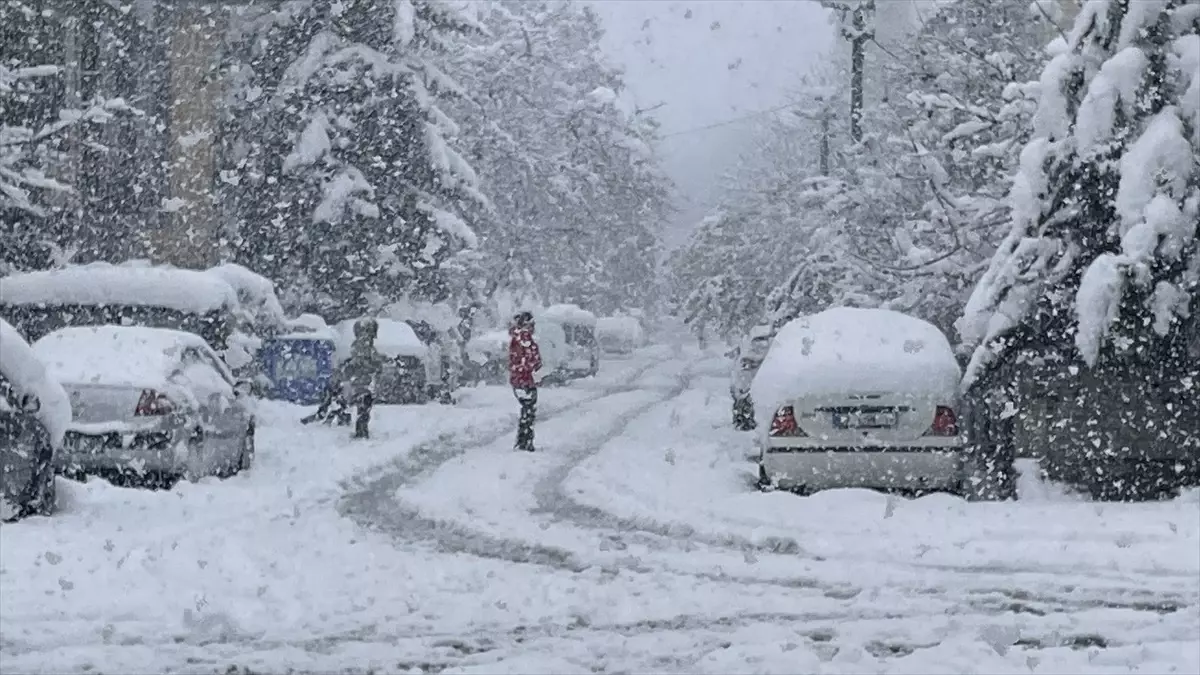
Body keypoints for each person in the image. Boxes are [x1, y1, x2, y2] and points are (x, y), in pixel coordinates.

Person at [508, 311, 542, 452]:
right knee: (528, 410)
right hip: (525, 380)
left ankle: (524, 439)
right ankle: (525, 441)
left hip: (519, 379)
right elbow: (528, 359)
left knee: (527, 410)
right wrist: (534, 368)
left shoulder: (517, 338)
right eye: (532, 324)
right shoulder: (524, 339)